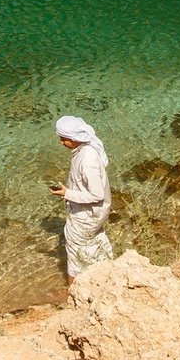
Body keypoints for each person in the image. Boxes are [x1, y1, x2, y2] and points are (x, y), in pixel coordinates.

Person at [49, 116, 113, 283]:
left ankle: (72, 293)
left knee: (74, 251)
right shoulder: (87, 150)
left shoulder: (87, 160)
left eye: (63, 138)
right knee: (97, 243)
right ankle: (109, 276)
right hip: (95, 214)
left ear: (75, 138)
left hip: (87, 216)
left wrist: (67, 194)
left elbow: (96, 194)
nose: (61, 142)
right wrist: (69, 195)